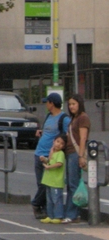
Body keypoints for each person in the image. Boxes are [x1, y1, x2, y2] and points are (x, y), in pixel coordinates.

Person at [31, 92, 69, 219]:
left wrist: (57, 150)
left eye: (47, 102)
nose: (46, 104)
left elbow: (65, 136)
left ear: (52, 103)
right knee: (40, 183)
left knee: (45, 184)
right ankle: (45, 209)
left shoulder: (64, 119)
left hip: (50, 155)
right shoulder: (48, 116)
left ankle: (36, 204)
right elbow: (48, 132)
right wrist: (40, 133)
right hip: (39, 153)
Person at [64, 93, 91, 223]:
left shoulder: (83, 118)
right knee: (70, 184)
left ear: (80, 104)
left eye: (74, 104)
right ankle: (71, 213)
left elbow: (83, 138)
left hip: (75, 153)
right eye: (69, 104)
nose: (71, 106)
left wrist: (81, 156)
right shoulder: (73, 118)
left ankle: (73, 214)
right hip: (69, 153)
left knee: (73, 184)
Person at [40, 133, 67, 223]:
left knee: (56, 199)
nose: (58, 144)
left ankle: (58, 216)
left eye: (62, 143)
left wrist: (49, 167)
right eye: (57, 141)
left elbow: (59, 163)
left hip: (56, 181)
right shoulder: (52, 152)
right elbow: (50, 161)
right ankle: (50, 216)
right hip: (49, 180)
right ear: (53, 141)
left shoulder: (60, 153)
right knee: (49, 199)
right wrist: (45, 160)